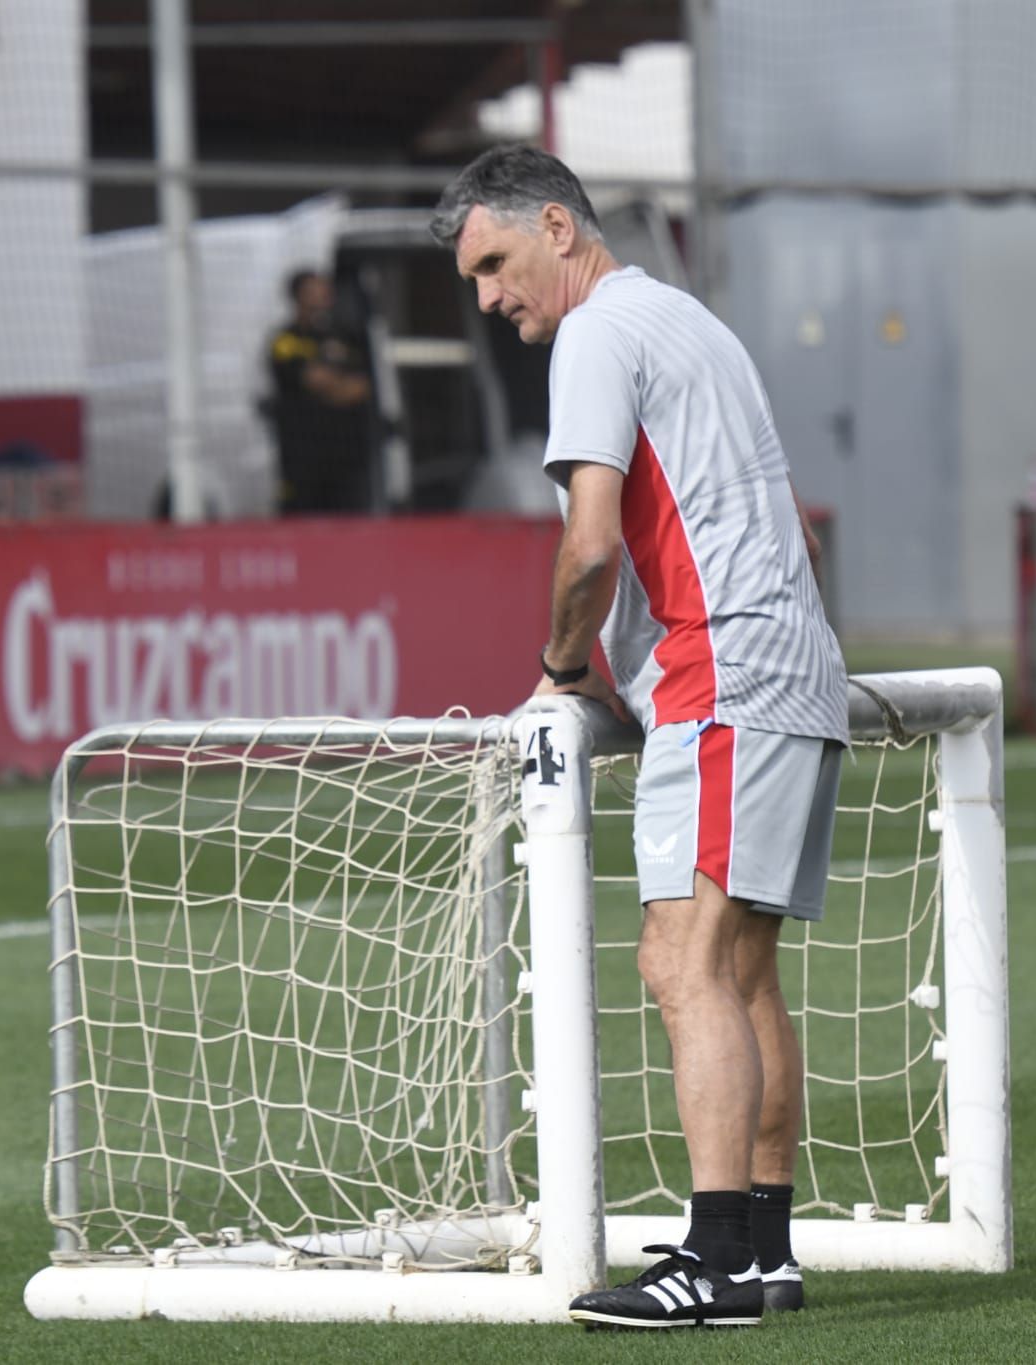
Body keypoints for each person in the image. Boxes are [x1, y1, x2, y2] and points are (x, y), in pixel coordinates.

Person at [432, 146, 847, 1330]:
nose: (489, 298)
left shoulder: (598, 336)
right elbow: (794, 533)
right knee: (741, 966)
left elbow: (591, 544)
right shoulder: (689, 321)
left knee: (680, 965)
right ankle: (760, 1253)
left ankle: (709, 1262)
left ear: (558, 227)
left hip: (724, 674)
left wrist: (563, 667)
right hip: (786, 665)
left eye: (496, 264)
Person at [264, 268, 374, 516]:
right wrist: (337, 386)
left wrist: (334, 388)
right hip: (303, 458)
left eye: (325, 289)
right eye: (314, 291)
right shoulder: (286, 341)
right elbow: (315, 380)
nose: (323, 296)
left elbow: (362, 388)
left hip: (345, 457)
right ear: (298, 297)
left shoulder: (345, 336)